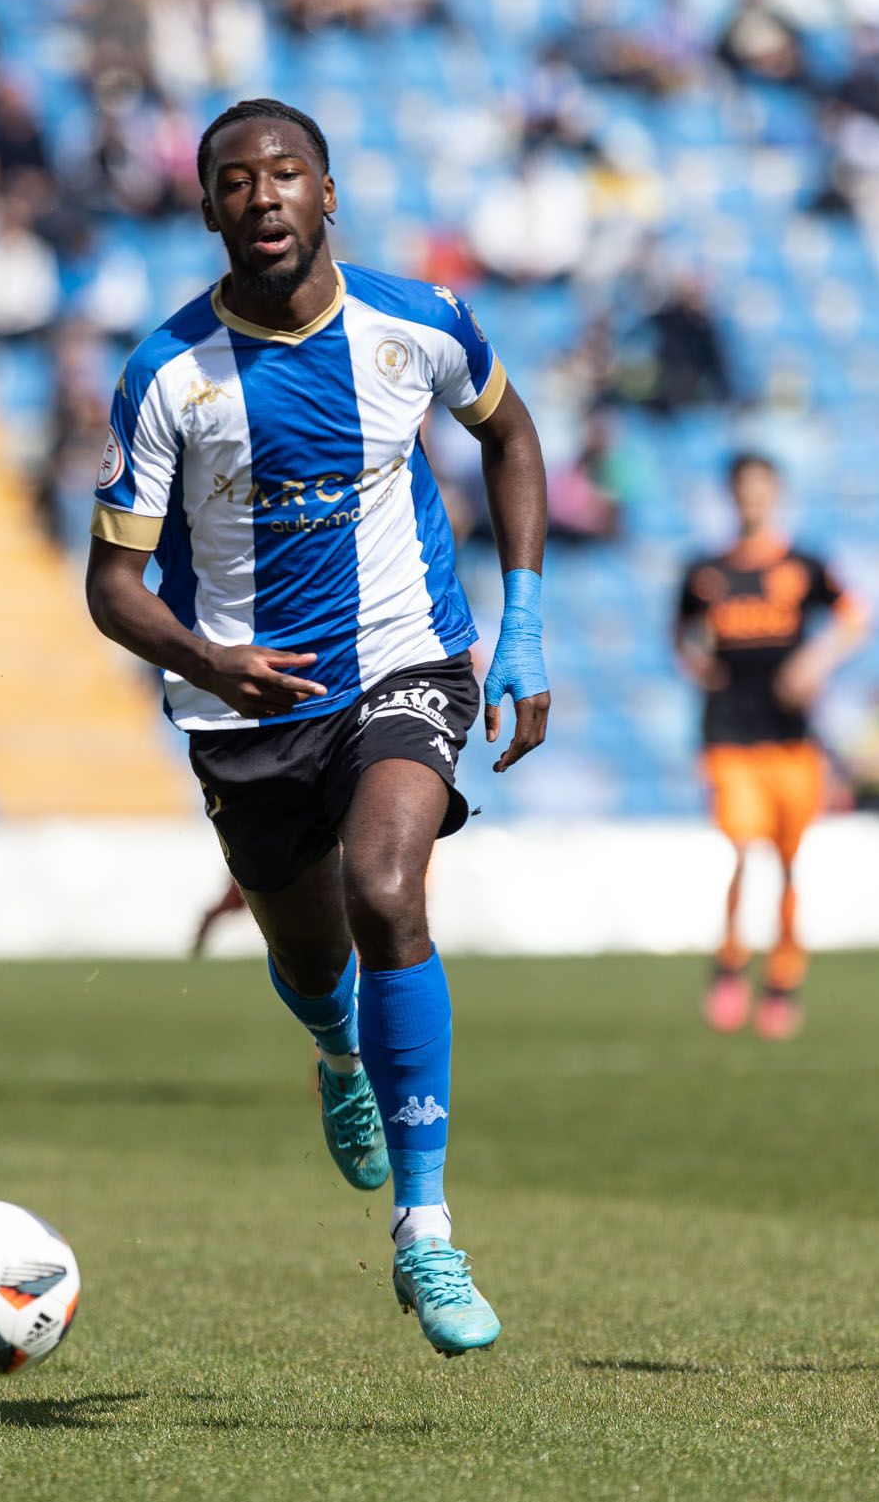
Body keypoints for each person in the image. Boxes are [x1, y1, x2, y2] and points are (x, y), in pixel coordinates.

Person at [84, 99, 550, 1358]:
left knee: (387, 888)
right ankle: (338, 1051)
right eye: (237, 181)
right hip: (246, 703)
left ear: (329, 193)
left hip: (406, 656)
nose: (264, 196)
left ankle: (426, 1231)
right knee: (308, 955)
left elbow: (509, 434)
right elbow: (111, 587)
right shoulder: (167, 375)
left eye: (286, 173)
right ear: (209, 209)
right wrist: (207, 659)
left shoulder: (421, 324)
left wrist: (524, 624)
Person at [675, 453, 865, 1041]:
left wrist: (815, 659)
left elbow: (855, 617)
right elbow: (680, 632)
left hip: (791, 739)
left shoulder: (803, 565)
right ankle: (730, 960)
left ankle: (783, 978)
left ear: (775, 494)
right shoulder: (705, 571)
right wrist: (696, 663)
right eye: (742, 490)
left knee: (786, 862)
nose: (752, 500)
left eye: (761, 490)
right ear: (731, 497)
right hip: (730, 734)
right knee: (740, 844)